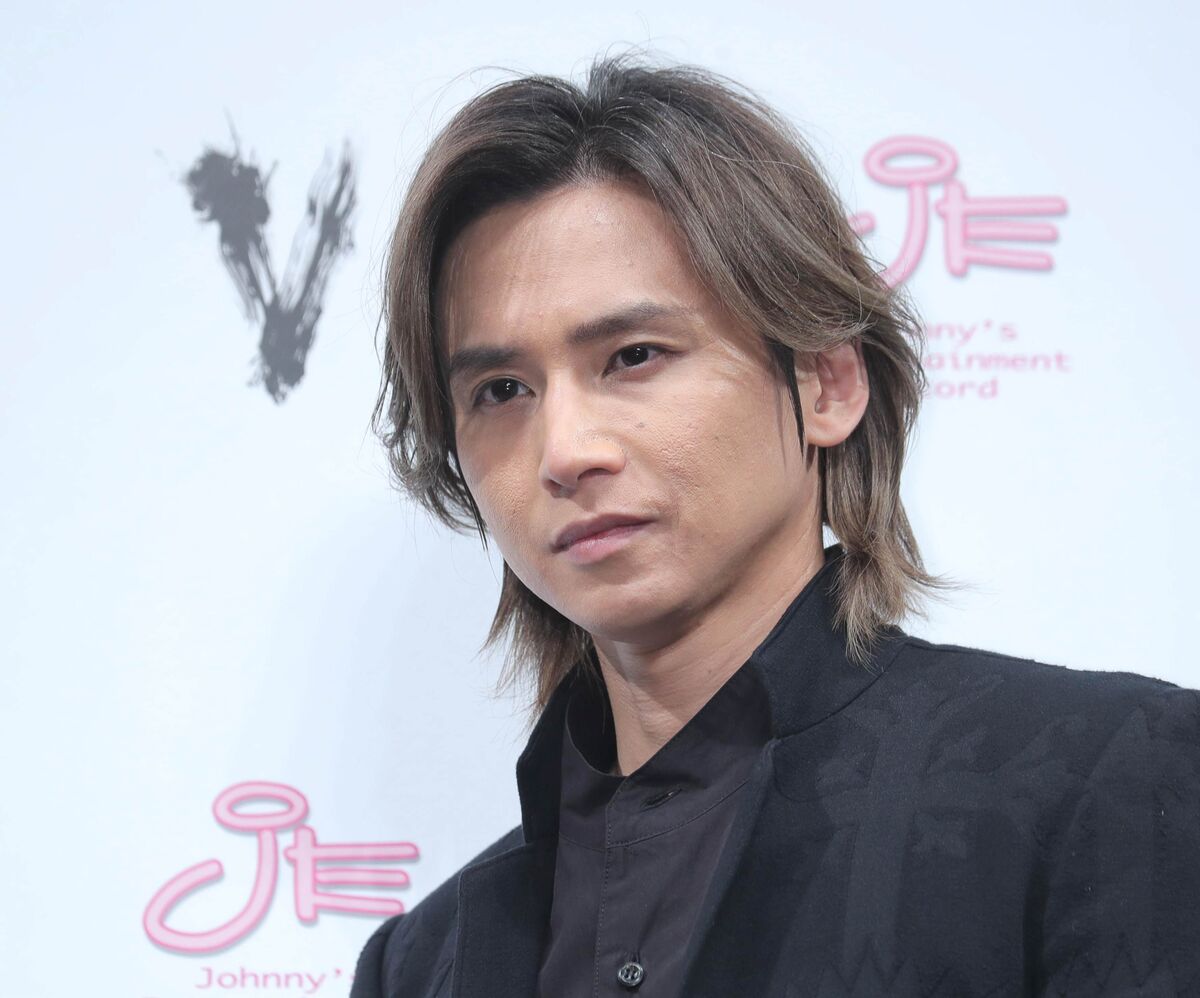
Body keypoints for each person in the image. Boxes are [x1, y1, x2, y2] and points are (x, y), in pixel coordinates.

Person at [350, 52, 1200, 998]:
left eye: (633, 356)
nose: (565, 450)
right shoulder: (417, 964)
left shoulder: (1107, 782)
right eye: (502, 391)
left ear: (826, 382)